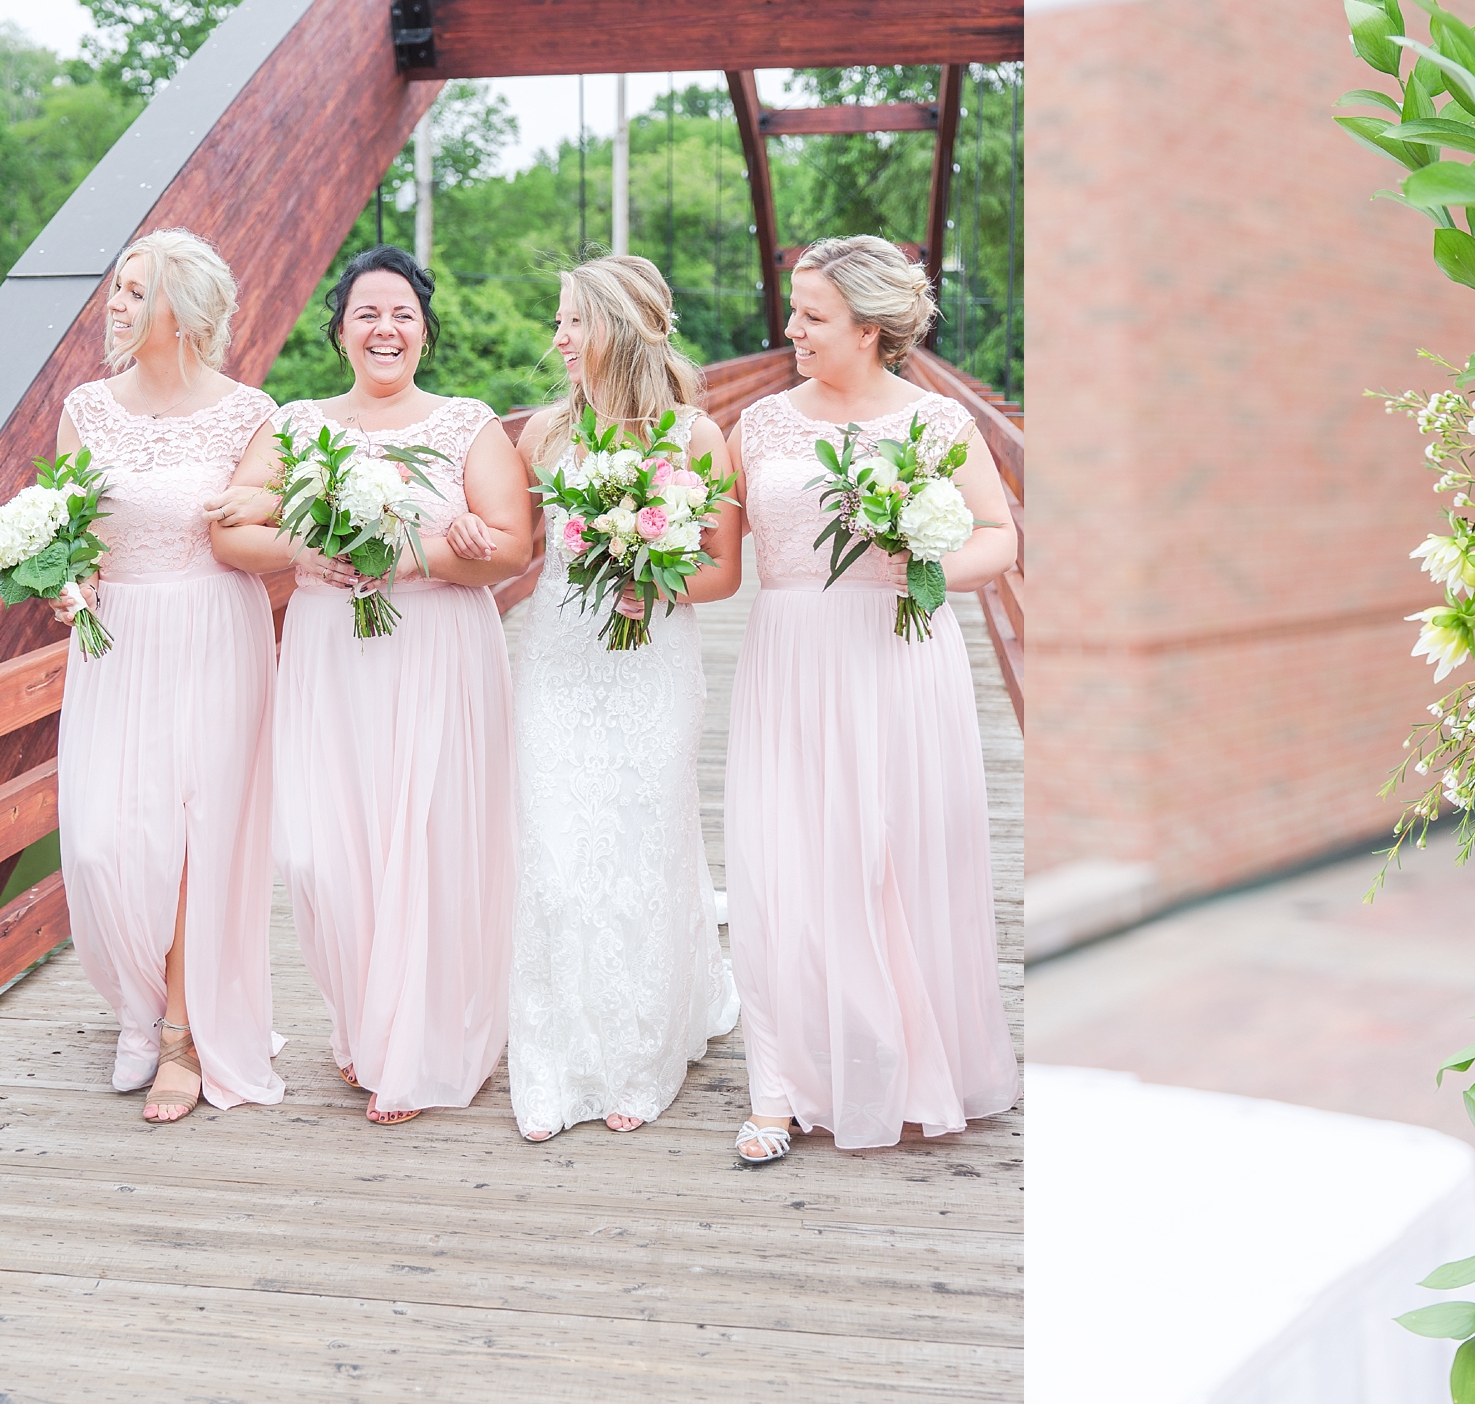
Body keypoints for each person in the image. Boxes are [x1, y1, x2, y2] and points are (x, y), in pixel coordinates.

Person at [212, 245, 528, 1126]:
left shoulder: (468, 425)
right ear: (341, 329)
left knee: (430, 844)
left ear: (425, 329)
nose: (385, 328)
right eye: (367, 314)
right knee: (322, 855)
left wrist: (407, 558)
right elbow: (233, 533)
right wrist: (309, 551)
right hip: (327, 655)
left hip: (438, 654)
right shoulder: (298, 423)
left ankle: (420, 1049)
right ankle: (367, 1022)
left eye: (402, 314)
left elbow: (509, 549)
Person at [724, 235, 1021, 1162]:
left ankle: (897, 1060)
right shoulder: (761, 425)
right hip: (787, 664)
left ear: (872, 328)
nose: (792, 329)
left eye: (814, 316)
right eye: (795, 310)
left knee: (891, 858)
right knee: (783, 863)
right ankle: (780, 1085)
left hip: (898, 658)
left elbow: (997, 539)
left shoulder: (936, 425)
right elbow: (711, 554)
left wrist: (922, 560)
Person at [488, 253, 741, 1143]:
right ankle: (556, 1058)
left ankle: (640, 1052)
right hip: (557, 660)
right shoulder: (545, 436)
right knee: (556, 852)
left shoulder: (696, 439)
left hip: (650, 665)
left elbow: (721, 572)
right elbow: (516, 555)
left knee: (644, 838)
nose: (556, 340)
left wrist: (655, 585)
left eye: (571, 323)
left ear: (619, 330)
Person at [52, 227, 284, 1122]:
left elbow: (254, 536)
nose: (115, 300)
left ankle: (181, 1038)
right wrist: (64, 581)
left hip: (213, 632)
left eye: (133, 288)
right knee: (104, 842)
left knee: (196, 842)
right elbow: (64, 529)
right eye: (116, 284)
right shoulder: (86, 407)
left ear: (180, 312)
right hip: (113, 638)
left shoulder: (249, 414)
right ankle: (137, 1004)